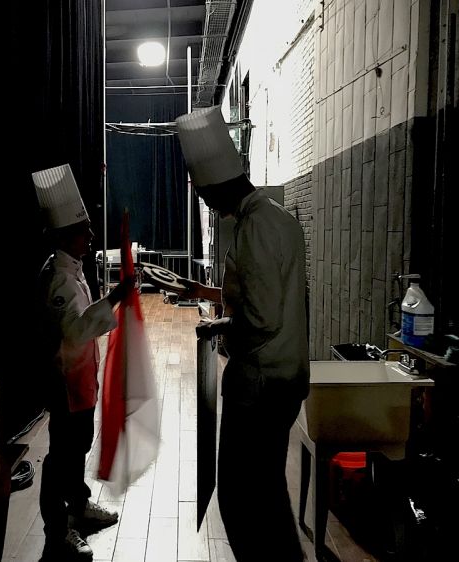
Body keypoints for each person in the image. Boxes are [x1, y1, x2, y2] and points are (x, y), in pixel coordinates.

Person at [175, 107, 310, 561]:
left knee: (240, 499)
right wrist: (204, 291)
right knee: (270, 492)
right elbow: (265, 294)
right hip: (288, 378)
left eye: (206, 195)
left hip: (260, 385)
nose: (208, 205)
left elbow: (260, 318)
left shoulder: (251, 229)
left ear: (218, 186)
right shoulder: (281, 219)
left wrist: (220, 327)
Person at [32, 164, 134, 562]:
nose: (92, 236)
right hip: (65, 383)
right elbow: (74, 332)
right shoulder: (58, 277)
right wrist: (114, 299)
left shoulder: (71, 269)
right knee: (63, 457)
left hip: (81, 379)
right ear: (65, 235)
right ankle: (59, 532)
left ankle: (79, 506)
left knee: (78, 448)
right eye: (85, 229)